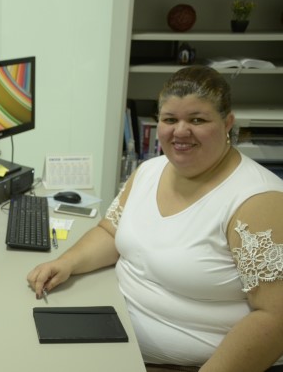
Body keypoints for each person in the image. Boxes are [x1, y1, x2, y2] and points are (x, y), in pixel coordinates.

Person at [27, 66, 283, 372]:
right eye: (170, 120)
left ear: (227, 123)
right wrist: (66, 262)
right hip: (116, 337)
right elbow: (111, 232)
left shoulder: (258, 201)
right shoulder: (150, 170)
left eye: (197, 120)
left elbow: (274, 318)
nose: (181, 131)